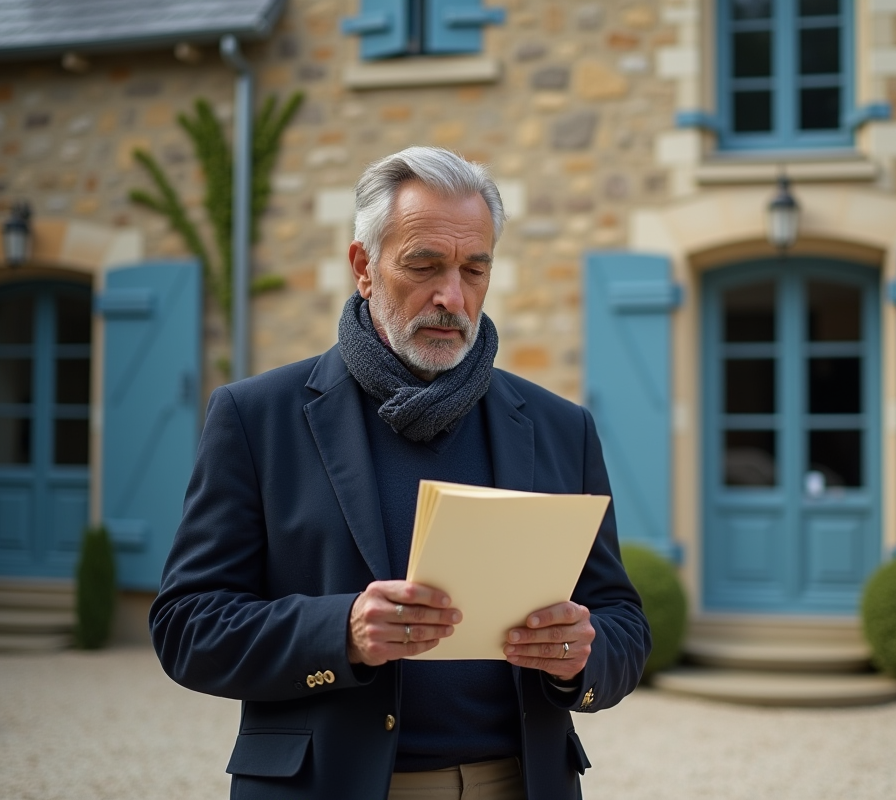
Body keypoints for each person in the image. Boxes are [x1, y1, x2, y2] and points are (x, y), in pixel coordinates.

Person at [149, 146, 651, 800]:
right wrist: (343, 633)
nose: (451, 296)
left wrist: (582, 656)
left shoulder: (562, 427)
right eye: (424, 265)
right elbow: (187, 626)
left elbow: (623, 622)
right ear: (362, 266)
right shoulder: (255, 417)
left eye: (475, 269)